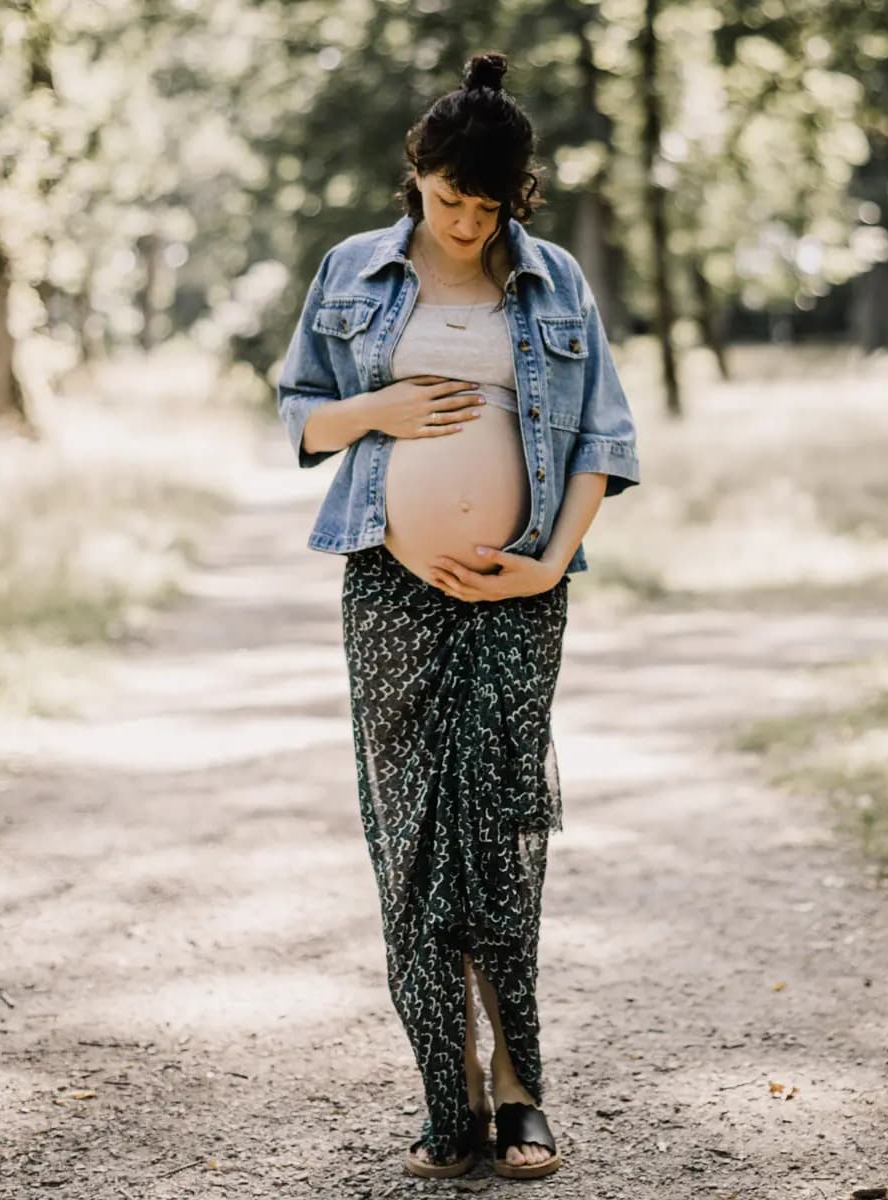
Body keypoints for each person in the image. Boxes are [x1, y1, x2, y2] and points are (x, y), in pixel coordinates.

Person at [275, 50, 641, 1180]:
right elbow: (300, 418)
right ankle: (454, 1090)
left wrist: (550, 566)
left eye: (491, 206)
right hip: (389, 589)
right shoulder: (353, 270)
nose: (470, 224)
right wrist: (375, 408)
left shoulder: (554, 279)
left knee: (499, 833)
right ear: (417, 176)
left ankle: (519, 1086)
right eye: (449, 200)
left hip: (518, 593)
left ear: (517, 195)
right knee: (415, 839)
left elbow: (603, 437)